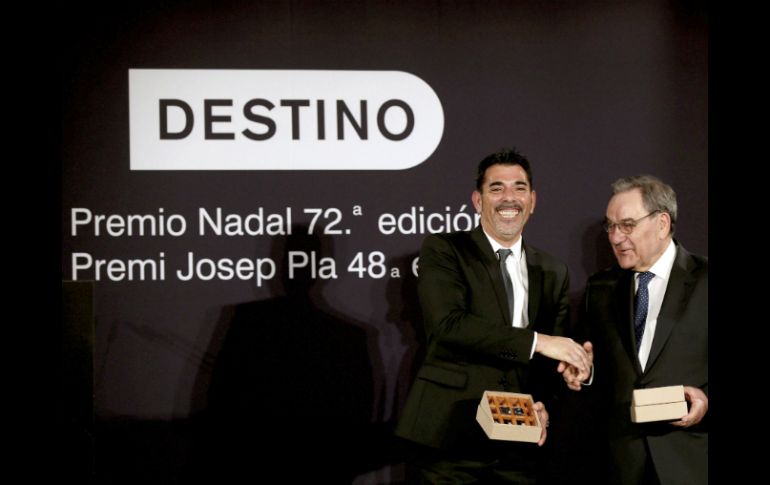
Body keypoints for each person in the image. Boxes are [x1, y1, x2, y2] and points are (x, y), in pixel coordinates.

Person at [395, 148, 591, 483]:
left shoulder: (553, 270)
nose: (509, 198)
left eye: (519, 188)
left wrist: (550, 396)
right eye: (497, 188)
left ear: (532, 201)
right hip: (452, 436)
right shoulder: (445, 249)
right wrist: (539, 342)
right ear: (478, 200)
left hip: (520, 441)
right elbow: (448, 325)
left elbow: (549, 358)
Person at [565, 175, 708, 484]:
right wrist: (584, 374)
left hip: (691, 462)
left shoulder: (705, 280)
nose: (615, 237)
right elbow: (595, 375)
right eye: (611, 226)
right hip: (621, 464)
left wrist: (706, 400)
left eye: (627, 225)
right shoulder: (600, 289)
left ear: (662, 224)